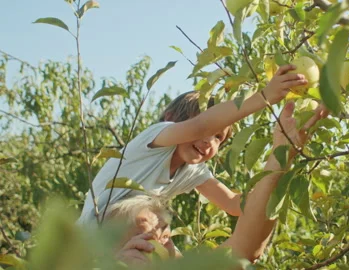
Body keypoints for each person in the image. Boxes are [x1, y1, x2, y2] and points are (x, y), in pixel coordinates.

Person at [77, 65, 309, 224]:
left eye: (218, 138)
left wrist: (281, 160)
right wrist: (264, 95)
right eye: (208, 131)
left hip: (123, 246)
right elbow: (201, 126)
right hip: (92, 239)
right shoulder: (156, 138)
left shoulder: (191, 170)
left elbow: (235, 205)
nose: (209, 140)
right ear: (170, 118)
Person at [114, 101, 329, 266]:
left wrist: (281, 155)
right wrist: (266, 95)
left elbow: (242, 247)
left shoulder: (192, 171)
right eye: (143, 237)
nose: (160, 242)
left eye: (166, 233)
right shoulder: (151, 143)